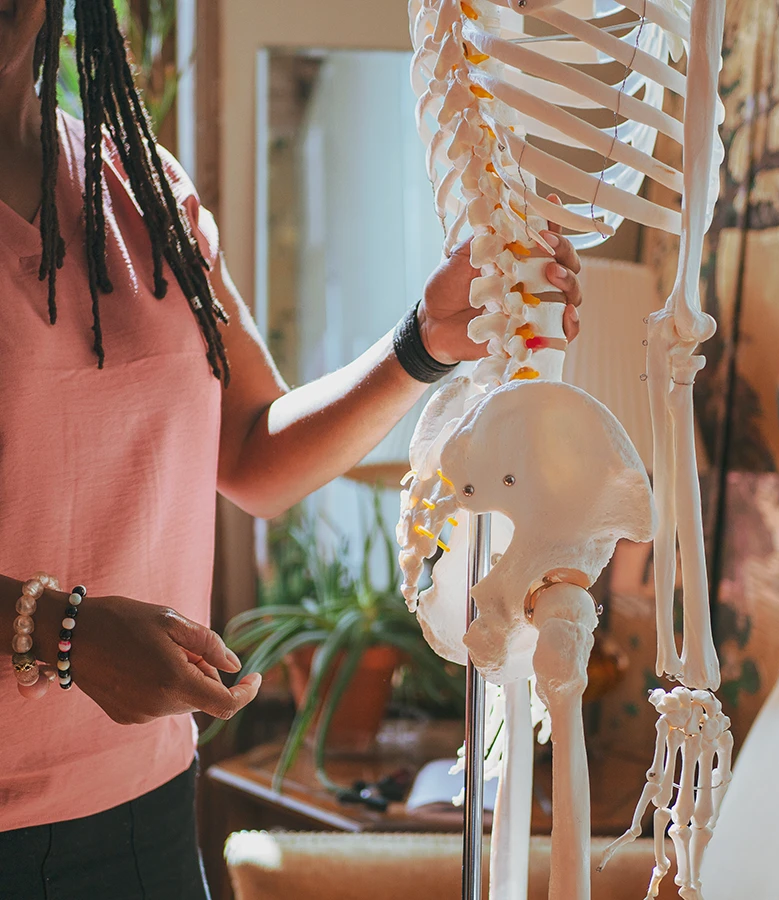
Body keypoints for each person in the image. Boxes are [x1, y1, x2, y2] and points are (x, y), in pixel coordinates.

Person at [0, 0, 583, 896]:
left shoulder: (141, 187)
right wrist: (56, 629)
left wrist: (424, 342)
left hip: (148, 816)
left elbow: (251, 452)